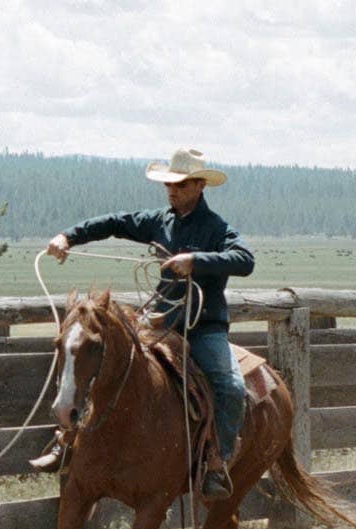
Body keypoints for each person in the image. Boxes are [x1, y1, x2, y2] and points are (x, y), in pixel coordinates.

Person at [33, 148, 255, 498]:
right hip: (161, 320)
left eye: (181, 185)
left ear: (200, 186)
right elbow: (115, 222)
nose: (172, 191)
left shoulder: (217, 228)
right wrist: (68, 236)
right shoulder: (158, 221)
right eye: (169, 184)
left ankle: (217, 461)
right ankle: (68, 439)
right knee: (103, 362)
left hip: (202, 327)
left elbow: (244, 259)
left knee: (231, 387)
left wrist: (196, 260)